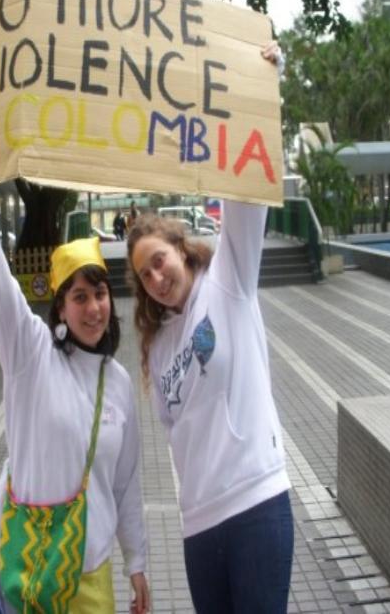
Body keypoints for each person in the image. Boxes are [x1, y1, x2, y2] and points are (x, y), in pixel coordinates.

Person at [0, 142, 150, 614]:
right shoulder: (29, 354)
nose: (93, 308)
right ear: (59, 307)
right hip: (25, 567)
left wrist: (137, 562)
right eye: (78, 297)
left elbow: (126, 485)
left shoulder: (116, 382)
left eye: (99, 293)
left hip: (90, 574)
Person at [126, 42, 293, 613]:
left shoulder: (230, 278)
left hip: (256, 506)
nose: (155, 276)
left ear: (180, 248)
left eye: (159, 260)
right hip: (199, 526)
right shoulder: (157, 344)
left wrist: (259, 88)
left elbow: (246, 188)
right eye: (143, 274)